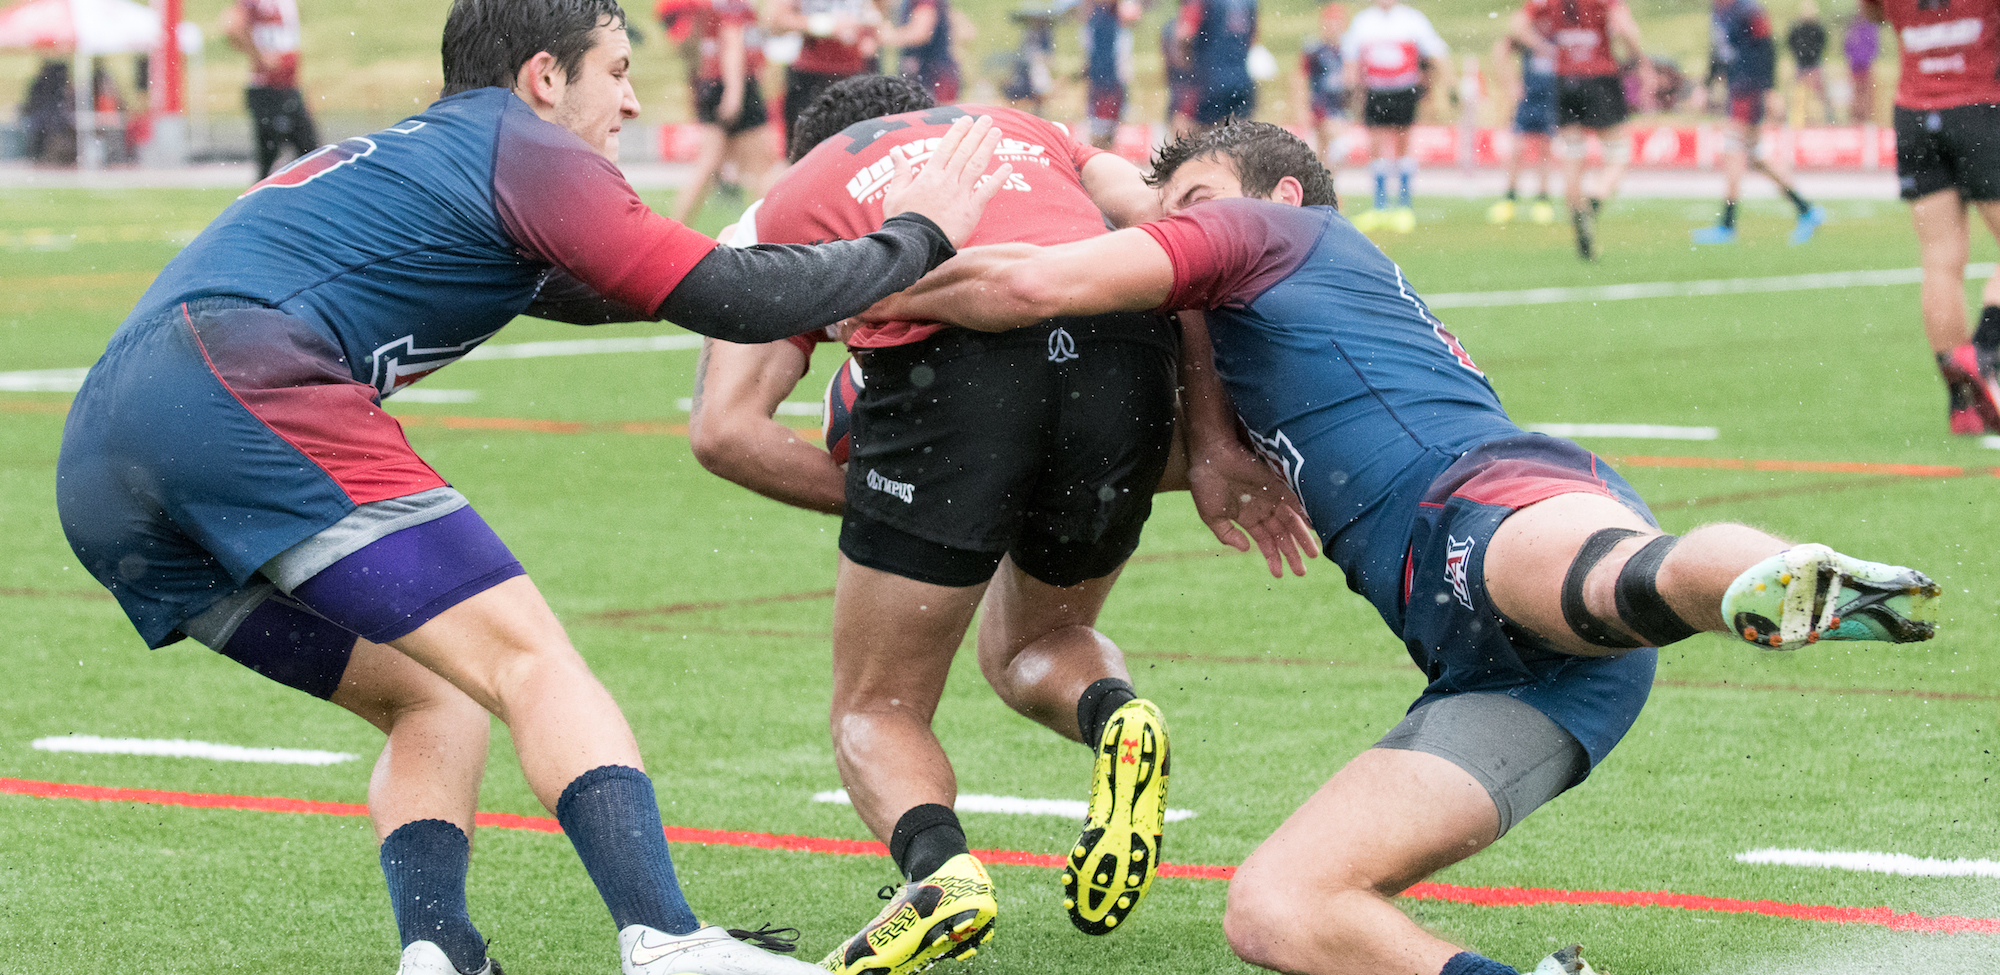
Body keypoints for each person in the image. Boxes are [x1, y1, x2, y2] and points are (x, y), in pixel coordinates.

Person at [52, 2, 1009, 973]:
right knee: (533, 662)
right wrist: (919, 234)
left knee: (435, 694)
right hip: (238, 389)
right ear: (545, 78)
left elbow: (617, 287)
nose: (632, 103)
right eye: (618, 71)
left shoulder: (432, 153)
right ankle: (670, 942)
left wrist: (790, 258)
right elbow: (729, 298)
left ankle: (440, 952)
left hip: (103, 467)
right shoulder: (524, 146)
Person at [862, 119, 1942, 975]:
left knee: (1612, 579)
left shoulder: (1270, 234)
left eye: (1187, 205)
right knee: (1278, 910)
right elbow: (1143, 255)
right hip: (1517, 686)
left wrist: (846, 277)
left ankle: (1779, 577)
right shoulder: (1248, 293)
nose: (1166, 228)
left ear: (1274, 198)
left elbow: (1027, 285)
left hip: (1480, 503)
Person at [743, 79, 1183, 975]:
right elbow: (1163, 219)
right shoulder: (1022, 126)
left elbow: (724, 427)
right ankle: (1116, 715)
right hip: (1124, 344)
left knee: (878, 703)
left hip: (951, 374)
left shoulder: (800, 190)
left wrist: (931, 514)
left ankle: (942, 875)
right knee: (1044, 638)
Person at [1862, 0, 2000, 434]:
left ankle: (1963, 407)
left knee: (1940, 261)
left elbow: (1874, 12)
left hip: (1915, 115)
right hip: (1981, 108)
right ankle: (1984, 348)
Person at [1511, 0, 1651, 260]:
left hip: (1565, 79)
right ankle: (1595, 195)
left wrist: (1545, 48)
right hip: (1600, 76)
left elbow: (1517, 26)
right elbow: (1624, 29)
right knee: (1619, 152)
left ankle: (1578, 218)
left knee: (1573, 154)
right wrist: (1637, 59)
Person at [1692, 0, 1826, 246]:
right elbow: (1719, 51)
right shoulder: (1719, 9)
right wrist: (1706, 85)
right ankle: (1807, 210)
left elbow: (1767, 48)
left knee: (1732, 150)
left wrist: (1770, 90)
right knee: (1755, 157)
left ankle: (1727, 225)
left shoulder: (1748, 9)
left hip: (1750, 88)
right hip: (1737, 87)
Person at [668, 0, 782, 224]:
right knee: (761, 168)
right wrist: (734, 92)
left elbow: (697, 44)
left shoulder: (711, 5)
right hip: (736, 84)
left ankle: (673, 230)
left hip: (716, 82)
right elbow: (732, 41)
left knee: (709, 168)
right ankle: (762, 236)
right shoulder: (732, 4)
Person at [1341, 0, 1449, 232]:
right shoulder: (1363, 22)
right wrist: (1350, 89)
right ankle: (1380, 206)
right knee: (1376, 147)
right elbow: (1350, 57)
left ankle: (1403, 205)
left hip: (1403, 90)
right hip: (1375, 90)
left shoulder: (1412, 20)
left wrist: (1445, 84)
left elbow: (1435, 52)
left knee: (1402, 144)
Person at [222, 0, 323, 180]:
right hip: (268, 89)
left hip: (287, 87)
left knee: (309, 154)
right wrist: (260, 56)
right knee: (277, 157)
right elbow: (232, 26)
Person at [766, 0, 881, 151]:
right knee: (804, 149)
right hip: (811, 73)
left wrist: (869, 29)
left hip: (854, 72)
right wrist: (823, 24)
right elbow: (775, 21)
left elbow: (878, 15)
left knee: (855, 148)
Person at [1486, 32, 1558, 226]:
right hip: (1529, 96)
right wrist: (1509, 84)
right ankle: (1509, 199)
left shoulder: (1560, 26)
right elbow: (1501, 49)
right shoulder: (1531, 30)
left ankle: (1542, 201)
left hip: (1553, 96)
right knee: (1518, 147)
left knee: (1545, 148)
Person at [1174, 0, 1260, 132]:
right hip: (1242, 80)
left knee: (1195, 136)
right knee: (1239, 139)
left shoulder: (1200, 2)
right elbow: (1253, 37)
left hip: (1209, 81)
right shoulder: (1249, 2)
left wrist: (1186, 66)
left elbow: (1184, 35)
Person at [1294, 3, 1353, 174]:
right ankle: (1324, 190)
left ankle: (1332, 189)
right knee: (1318, 154)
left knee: (1337, 152)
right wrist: (1301, 107)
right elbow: (1301, 78)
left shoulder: (1348, 50)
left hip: (1338, 107)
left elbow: (1354, 82)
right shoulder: (1314, 49)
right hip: (1319, 105)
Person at [1082, 0, 1142, 149]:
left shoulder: (1116, 13)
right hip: (1102, 76)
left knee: (1112, 125)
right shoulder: (1097, 16)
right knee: (1099, 126)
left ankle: (1106, 152)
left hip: (1113, 76)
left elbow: (1133, 16)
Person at [881, 0, 961, 103]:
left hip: (934, 74)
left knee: (937, 115)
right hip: (925, 73)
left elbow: (921, 33)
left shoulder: (926, 2)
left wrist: (886, 36)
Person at [1787, 0, 1832, 124]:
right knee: (1799, 94)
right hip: (1802, 63)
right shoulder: (1797, 28)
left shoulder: (1817, 28)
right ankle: (1797, 120)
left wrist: (1813, 53)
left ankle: (1827, 119)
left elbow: (1823, 43)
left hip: (1813, 63)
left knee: (1820, 93)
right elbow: (1791, 42)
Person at [1843, 14, 1879, 124]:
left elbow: (1874, 47)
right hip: (1855, 66)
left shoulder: (1868, 29)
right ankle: (1856, 118)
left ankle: (1865, 118)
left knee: (1866, 94)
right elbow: (1847, 47)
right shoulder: (1854, 30)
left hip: (1865, 66)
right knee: (1856, 93)